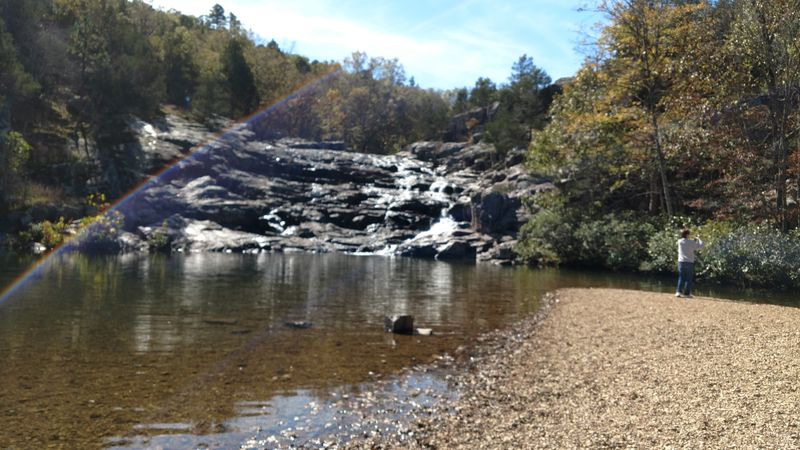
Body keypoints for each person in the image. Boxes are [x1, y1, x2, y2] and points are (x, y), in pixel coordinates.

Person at [676, 229, 703, 298]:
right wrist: (698, 239)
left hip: (681, 261)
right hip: (689, 262)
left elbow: (687, 243)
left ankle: (678, 292)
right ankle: (687, 293)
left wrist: (693, 240)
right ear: (687, 234)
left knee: (681, 277)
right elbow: (701, 246)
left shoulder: (679, 241)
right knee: (689, 278)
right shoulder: (691, 242)